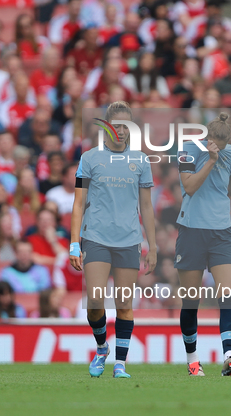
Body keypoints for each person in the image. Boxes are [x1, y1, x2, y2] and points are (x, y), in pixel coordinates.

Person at [70, 101, 156, 379]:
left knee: (124, 304)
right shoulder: (90, 159)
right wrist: (74, 243)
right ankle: (102, 347)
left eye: (125, 125)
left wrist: (152, 245)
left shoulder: (141, 160)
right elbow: (79, 202)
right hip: (95, 237)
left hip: (129, 240)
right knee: (95, 301)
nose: (120, 130)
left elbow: (147, 206)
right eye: (115, 125)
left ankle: (120, 363)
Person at [173, 112, 231, 377]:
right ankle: (193, 362)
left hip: (222, 232)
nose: (218, 149)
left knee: (227, 295)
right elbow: (189, 186)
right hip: (191, 230)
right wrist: (212, 160)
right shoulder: (188, 149)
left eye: (222, 146)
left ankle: (229, 355)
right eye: (214, 144)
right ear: (206, 137)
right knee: (191, 300)